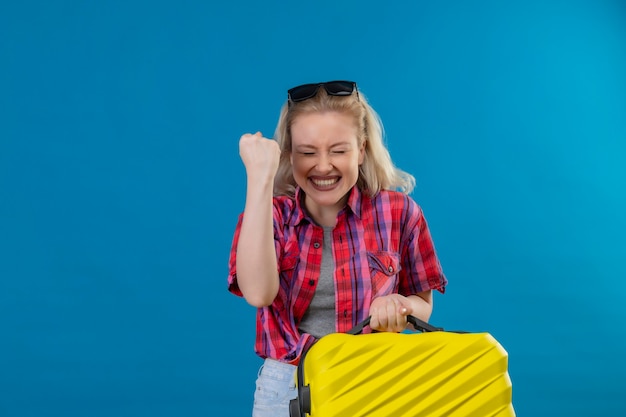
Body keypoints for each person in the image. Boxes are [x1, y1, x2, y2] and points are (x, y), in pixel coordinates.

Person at [227, 80, 447, 417]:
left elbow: (423, 304)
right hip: (287, 388)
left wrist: (399, 306)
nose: (324, 165)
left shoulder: (399, 212)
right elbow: (258, 294)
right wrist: (259, 177)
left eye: (339, 150)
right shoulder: (268, 217)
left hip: (376, 381)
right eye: (308, 152)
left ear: (361, 150)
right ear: (288, 155)